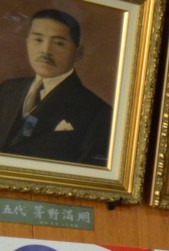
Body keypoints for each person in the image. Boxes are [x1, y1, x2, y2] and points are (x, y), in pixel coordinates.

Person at [0, 9, 110, 165]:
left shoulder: (99, 113)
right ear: (27, 42)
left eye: (58, 43)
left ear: (78, 53)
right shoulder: (7, 90)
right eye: (38, 40)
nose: (45, 50)